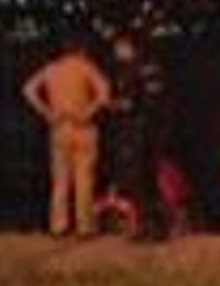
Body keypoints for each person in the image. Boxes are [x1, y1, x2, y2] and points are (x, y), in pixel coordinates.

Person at [23, 39, 111, 239]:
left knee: (60, 180)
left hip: (59, 126)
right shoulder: (86, 67)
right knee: (84, 178)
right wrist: (89, 111)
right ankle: (84, 226)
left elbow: (28, 89)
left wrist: (46, 112)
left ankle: (58, 225)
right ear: (81, 50)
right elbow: (104, 93)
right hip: (82, 126)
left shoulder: (52, 69)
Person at [109, 31, 170, 242]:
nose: (117, 52)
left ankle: (150, 226)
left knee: (141, 180)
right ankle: (152, 226)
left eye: (119, 47)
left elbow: (135, 101)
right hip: (150, 130)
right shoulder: (148, 69)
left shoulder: (136, 70)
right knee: (146, 180)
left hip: (139, 131)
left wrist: (117, 106)